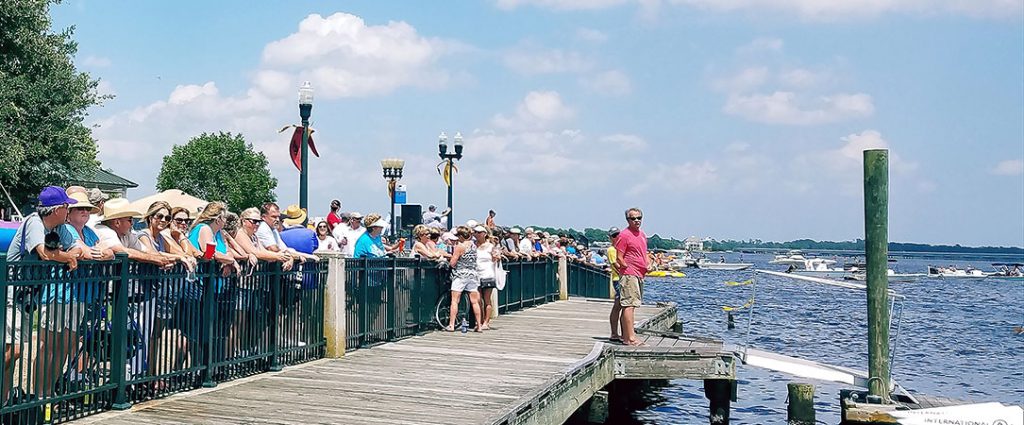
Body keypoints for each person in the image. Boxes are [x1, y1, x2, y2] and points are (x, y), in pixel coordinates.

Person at [4, 187, 80, 400]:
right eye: (67, 206)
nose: (69, 210)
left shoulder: (60, 227)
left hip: (28, 297)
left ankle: (5, 401)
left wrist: (69, 255)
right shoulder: (34, 222)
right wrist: (67, 258)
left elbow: (77, 248)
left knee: (13, 352)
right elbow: (44, 253)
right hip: (12, 291)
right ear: (58, 209)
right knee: (13, 351)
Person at [614, 208, 648, 346]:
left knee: (629, 305)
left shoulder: (642, 235)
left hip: (639, 273)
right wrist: (627, 269)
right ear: (627, 220)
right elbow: (619, 257)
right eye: (633, 218)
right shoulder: (624, 235)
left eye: (639, 217)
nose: (637, 220)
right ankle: (630, 338)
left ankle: (625, 336)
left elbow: (644, 253)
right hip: (629, 274)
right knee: (629, 305)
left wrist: (648, 264)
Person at [446, 226, 483, 332]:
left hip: (461, 275)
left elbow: (453, 263)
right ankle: (479, 325)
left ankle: (452, 325)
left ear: (461, 236)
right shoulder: (474, 246)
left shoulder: (460, 247)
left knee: (455, 301)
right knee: (474, 301)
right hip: (473, 274)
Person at [474, 226, 499, 330]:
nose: (477, 234)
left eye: (479, 232)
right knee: (478, 299)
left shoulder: (490, 246)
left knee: (487, 299)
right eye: (475, 232)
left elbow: (495, 258)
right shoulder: (473, 245)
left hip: (488, 274)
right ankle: (479, 320)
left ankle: (486, 322)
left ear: (484, 234)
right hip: (475, 274)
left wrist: (496, 255)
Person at [605, 227, 622, 343]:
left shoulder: (620, 248)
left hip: (622, 278)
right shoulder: (612, 249)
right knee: (618, 305)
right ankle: (614, 333)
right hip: (618, 278)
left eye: (618, 235)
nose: (617, 237)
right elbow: (615, 264)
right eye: (614, 235)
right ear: (610, 237)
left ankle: (620, 332)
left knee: (621, 305)